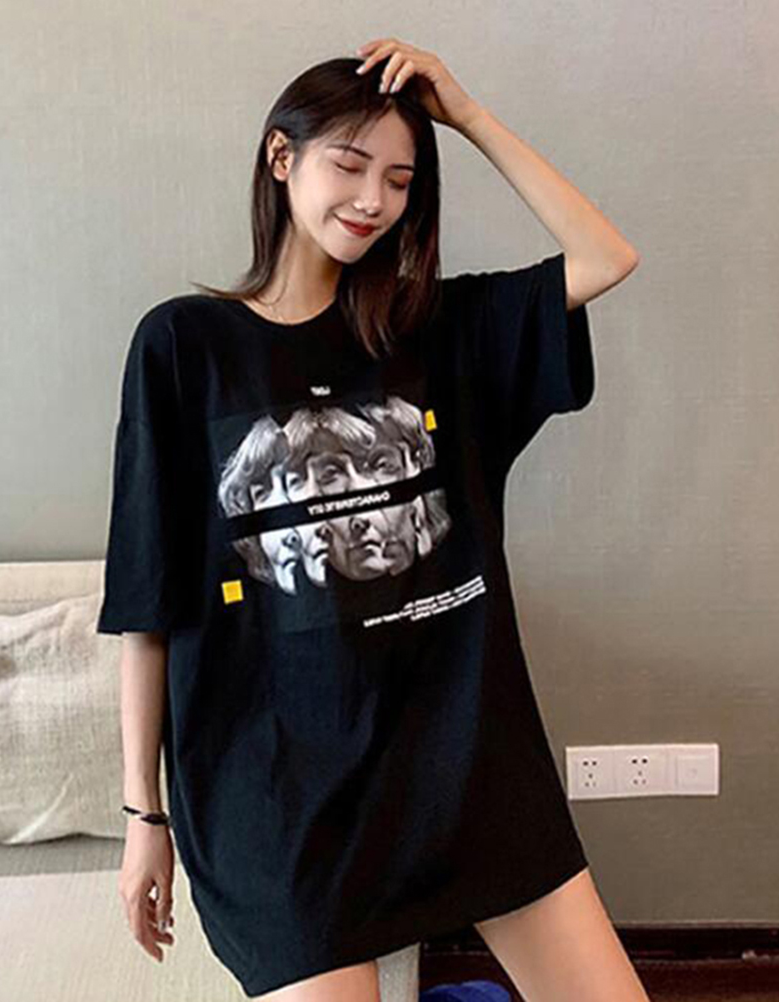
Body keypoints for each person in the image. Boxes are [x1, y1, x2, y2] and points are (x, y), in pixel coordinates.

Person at [97, 36, 646, 1002]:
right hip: (280, 800)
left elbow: (607, 256)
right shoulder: (185, 347)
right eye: (350, 165)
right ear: (282, 157)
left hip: (461, 761)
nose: (372, 200)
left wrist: (465, 115)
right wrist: (146, 816)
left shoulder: (434, 332)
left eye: (398, 180)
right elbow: (149, 601)